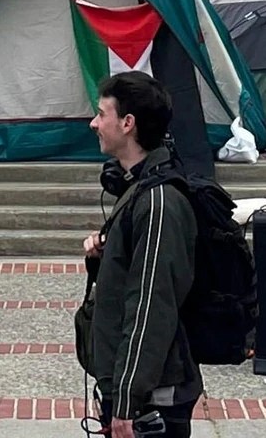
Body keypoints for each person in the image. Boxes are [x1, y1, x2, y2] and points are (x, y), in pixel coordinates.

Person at [77, 71, 200, 438]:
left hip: (152, 399)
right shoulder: (138, 190)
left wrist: (127, 401)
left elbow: (151, 304)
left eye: (102, 114)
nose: (93, 123)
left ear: (127, 123)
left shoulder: (158, 201)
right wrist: (104, 256)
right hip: (136, 390)